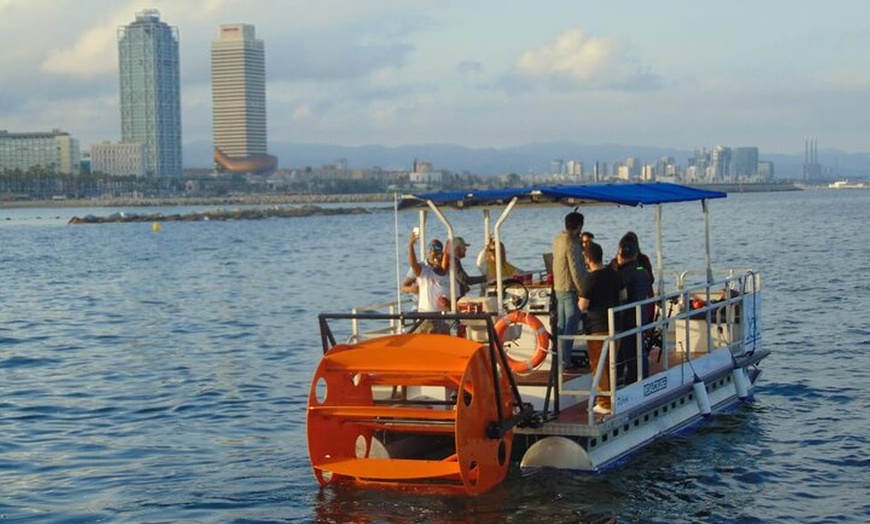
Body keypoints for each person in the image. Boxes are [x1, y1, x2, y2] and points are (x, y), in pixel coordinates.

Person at [578, 241, 626, 414]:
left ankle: (605, 403)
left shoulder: (591, 278)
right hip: (615, 325)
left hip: (597, 326)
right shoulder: (613, 273)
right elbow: (623, 295)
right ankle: (611, 398)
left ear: (588, 258)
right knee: (611, 364)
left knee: (599, 365)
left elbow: (583, 305)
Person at [551, 211, 587, 369]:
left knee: (561, 324)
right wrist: (583, 291)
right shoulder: (571, 243)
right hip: (569, 287)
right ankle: (565, 360)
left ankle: (557, 358)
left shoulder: (558, 239)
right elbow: (576, 269)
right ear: (579, 226)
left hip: (559, 286)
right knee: (571, 324)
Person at [616, 239, 653, 385]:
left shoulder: (625, 273)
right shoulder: (642, 271)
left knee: (630, 353)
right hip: (640, 315)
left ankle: (633, 381)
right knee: (639, 350)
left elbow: (623, 295)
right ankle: (640, 378)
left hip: (628, 317)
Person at [403, 233, 452, 333]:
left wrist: (448, 303)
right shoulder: (423, 269)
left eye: (437, 247)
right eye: (431, 247)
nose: (433, 250)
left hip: (440, 315)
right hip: (422, 311)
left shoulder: (447, 272)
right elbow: (412, 266)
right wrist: (412, 289)